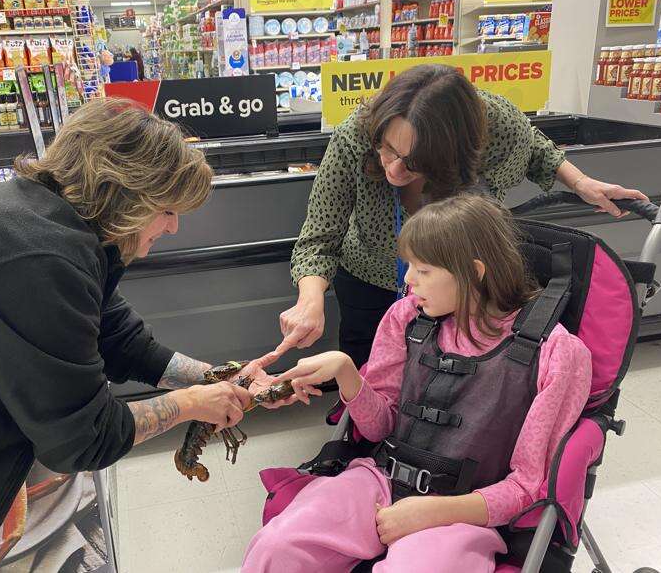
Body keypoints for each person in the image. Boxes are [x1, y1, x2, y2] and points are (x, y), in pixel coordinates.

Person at [0, 99, 278, 571]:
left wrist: (216, 377)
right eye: (168, 209)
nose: (173, 226)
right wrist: (193, 403)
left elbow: (120, 339)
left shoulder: (51, 226)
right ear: (124, 195)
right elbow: (84, 439)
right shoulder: (34, 253)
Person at [242, 194, 593, 572]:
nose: (408, 279)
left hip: (464, 511)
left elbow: (528, 487)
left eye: (423, 269)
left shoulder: (558, 354)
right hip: (379, 478)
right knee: (276, 547)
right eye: (409, 264)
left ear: (473, 272)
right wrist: (346, 372)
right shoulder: (405, 318)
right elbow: (380, 428)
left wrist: (434, 512)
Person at [278, 64, 647, 367]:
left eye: (414, 162)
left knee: (454, 372)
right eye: (386, 149)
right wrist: (310, 300)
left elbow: (536, 148)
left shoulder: (495, 124)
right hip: (371, 276)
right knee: (368, 364)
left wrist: (581, 183)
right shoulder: (355, 136)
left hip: (459, 282)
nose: (393, 169)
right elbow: (320, 235)